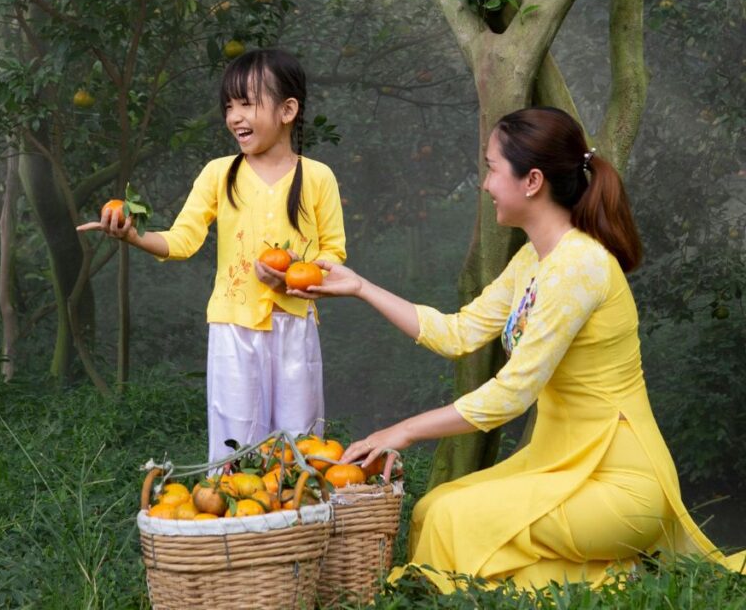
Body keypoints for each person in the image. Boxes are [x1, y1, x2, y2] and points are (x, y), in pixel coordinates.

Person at [288, 106, 745, 591]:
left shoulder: (579, 267)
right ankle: (626, 574)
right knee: (431, 510)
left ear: (531, 181)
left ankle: (625, 569)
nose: (485, 185)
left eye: (491, 168)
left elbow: (512, 394)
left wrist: (403, 430)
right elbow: (458, 333)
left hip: (621, 488)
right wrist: (359, 286)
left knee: (451, 522)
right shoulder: (535, 256)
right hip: (566, 469)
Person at [78, 48, 346, 464]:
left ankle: (296, 526)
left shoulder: (318, 177)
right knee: (235, 445)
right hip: (232, 329)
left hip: (296, 327)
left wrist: (294, 277)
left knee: (300, 444)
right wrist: (133, 236)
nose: (235, 117)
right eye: (229, 106)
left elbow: (333, 255)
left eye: (248, 103)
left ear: (288, 109)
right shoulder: (218, 173)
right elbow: (182, 240)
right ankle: (236, 523)